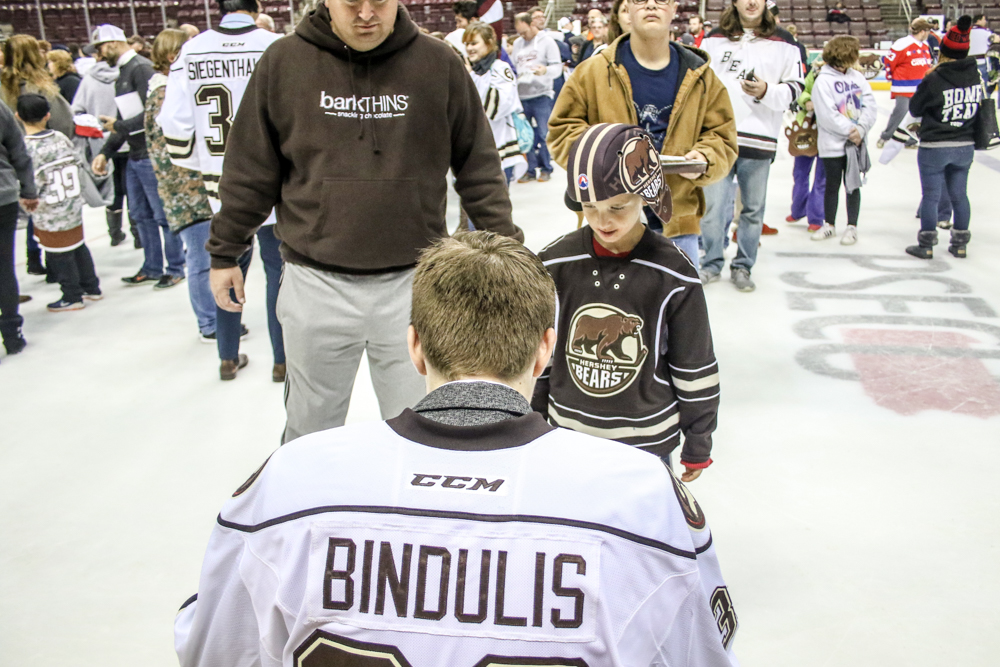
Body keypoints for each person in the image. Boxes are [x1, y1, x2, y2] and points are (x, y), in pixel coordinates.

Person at [174, 231, 740, 667]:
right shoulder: (643, 495)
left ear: (414, 346)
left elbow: (210, 649)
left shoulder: (289, 481)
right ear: (547, 350)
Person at [204, 0, 523, 440]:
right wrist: (225, 251)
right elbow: (250, 170)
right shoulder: (284, 62)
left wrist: (508, 255)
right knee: (309, 428)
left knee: (420, 427)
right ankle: (308, 506)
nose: (367, 14)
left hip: (415, 284)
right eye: (352, 3)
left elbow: (479, 168)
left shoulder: (438, 63)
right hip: (315, 282)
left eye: (380, 1)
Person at [535, 123, 720, 480]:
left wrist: (698, 440)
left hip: (647, 447)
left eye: (617, 206)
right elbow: (539, 356)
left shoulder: (674, 274)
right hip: (568, 440)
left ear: (645, 196)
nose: (602, 220)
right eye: (589, 206)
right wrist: (532, 421)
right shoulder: (553, 264)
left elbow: (694, 364)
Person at [549, 0, 737, 271]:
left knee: (679, 310)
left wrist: (706, 157)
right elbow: (561, 130)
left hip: (678, 223)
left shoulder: (702, 77)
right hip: (609, 224)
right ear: (627, 9)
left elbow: (722, 136)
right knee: (614, 312)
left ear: (674, 8)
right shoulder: (593, 72)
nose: (650, 4)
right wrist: (602, 160)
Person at [158, 0, 284, 381]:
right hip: (277, 182)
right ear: (256, 5)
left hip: (222, 182)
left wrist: (204, 164)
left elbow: (175, 124)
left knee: (227, 267)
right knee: (279, 272)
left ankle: (228, 357)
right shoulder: (276, 45)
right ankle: (282, 360)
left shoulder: (191, 49)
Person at [699, 0, 804, 290]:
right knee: (712, 208)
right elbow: (698, 84)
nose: (752, 2)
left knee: (753, 209)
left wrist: (766, 90)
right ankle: (711, 263)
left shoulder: (785, 41)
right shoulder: (713, 38)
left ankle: (743, 266)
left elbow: (795, 87)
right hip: (717, 140)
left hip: (760, 139)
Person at [90, 24, 186, 289]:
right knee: (140, 214)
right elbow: (126, 117)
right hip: (135, 153)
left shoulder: (140, 69)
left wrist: (117, 128)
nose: (98, 54)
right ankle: (153, 266)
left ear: (112, 43)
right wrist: (107, 152)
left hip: (149, 155)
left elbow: (150, 114)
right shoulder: (125, 71)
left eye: (100, 48)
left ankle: (175, 266)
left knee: (162, 215)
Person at [144, 29, 219, 342]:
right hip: (189, 195)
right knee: (201, 261)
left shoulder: (165, 90)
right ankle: (210, 323)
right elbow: (170, 156)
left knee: (205, 258)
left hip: (193, 192)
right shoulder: (164, 94)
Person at [906, 16, 982, 260]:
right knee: (960, 195)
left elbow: (915, 109)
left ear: (943, 52)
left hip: (934, 147)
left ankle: (926, 244)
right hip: (965, 145)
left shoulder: (933, 78)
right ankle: (960, 244)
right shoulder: (976, 76)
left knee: (931, 196)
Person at [18, 94, 101, 312]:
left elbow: (30, 183)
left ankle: (71, 295)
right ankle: (91, 287)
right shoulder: (60, 137)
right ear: (48, 115)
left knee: (59, 254)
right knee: (78, 246)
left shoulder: (26, 148)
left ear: (17, 116)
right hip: (72, 203)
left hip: (49, 209)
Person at [1, 34, 75, 278]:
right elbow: (65, 122)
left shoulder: (3, 86)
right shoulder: (41, 86)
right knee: (46, 207)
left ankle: (33, 258)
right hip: (41, 153)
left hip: (8, 161)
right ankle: (56, 266)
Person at [811, 35, 876, 244]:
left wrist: (862, 129)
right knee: (832, 184)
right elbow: (827, 114)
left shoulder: (857, 78)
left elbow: (870, 105)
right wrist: (851, 130)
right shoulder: (823, 81)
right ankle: (829, 224)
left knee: (853, 185)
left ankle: (852, 226)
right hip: (832, 144)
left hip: (854, 144)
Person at [70, 54, 133, 247]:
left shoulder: (88, 80)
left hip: (101, 143)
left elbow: (77, 111)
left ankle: (114, 233)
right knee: (132, 189)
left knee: (112, 190)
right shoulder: (126, 74)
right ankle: (139, 235)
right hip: (128, 138)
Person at [463, 22, 527, 187]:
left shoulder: (500, 69)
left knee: (496, 206)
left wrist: (471, 76)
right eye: (467, 44)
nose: (469, 48)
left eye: (474, 43)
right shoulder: (470, 71)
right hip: (472, 151)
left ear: (489, 43)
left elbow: (495, 107)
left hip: (498, 150)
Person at [0, 101, 37, 359]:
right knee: (4, 265)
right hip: (3, 196)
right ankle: (12, 334)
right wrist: (28, 189)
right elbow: (17, 148)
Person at [512, 11, 561, 183]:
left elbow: (558, 68)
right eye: (519, 33)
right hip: (522, 95)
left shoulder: (547, 42)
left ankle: (547, 168)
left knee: (543, 133)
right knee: (526, 136)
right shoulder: (518, 43)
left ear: (532, 25)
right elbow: (514, 67)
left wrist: (545, 70)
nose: (522, 36)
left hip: (542, 95)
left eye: (524, 32)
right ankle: (530, 170)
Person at [877, 19, 932, 149]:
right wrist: (891, 76)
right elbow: (890, 61)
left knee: (916, 115)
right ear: (922, 31)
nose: (929, 33)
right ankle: (885, 136)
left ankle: (909, 140)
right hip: (903, 85)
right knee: (900, 112)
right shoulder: (902, 43)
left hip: (920, 87)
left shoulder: (924, 45)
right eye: (928, 30)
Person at [787, 59, 827, 232]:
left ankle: (816, 217)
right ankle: (797, 210)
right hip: (806, 129)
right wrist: (807, 100)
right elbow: (803, 90)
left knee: (821, 178)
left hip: (828, 131)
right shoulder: (816, 71)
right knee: (800, 173)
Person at [969, 14, 994, 96]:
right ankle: (984, 106)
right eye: (984, 19)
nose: (985, 21)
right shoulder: (986, 32)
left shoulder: (967, 32)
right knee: (983, 88)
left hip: (969, 62)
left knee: (971, 87)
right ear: (978, 20)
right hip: (982, 62)